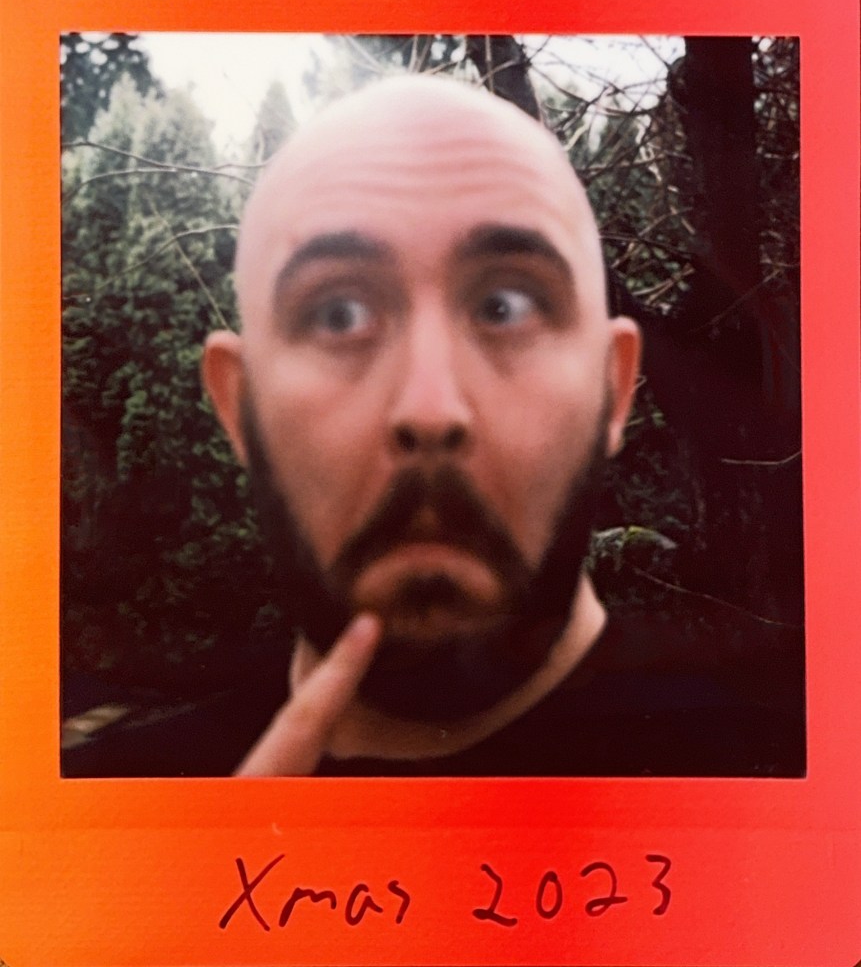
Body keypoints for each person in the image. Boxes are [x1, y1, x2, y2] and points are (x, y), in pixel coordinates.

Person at [197, 74, 804, 778]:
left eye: (505, 307)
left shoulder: (784, 784)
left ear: (613, 389)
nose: (430, 410)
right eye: (339, 315)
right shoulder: (129, 811)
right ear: (239, 407)